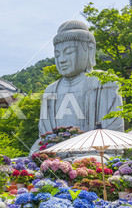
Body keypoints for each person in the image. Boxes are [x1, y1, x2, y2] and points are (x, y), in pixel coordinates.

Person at [31, 20, 124, 154]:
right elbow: (44, 137)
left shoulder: (105, 82)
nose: (61, 59)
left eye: (68, 52)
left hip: (97, 154)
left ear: (89, 50)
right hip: (57, 157)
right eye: (57, 55)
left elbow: (113, 133)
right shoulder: (51, 91)